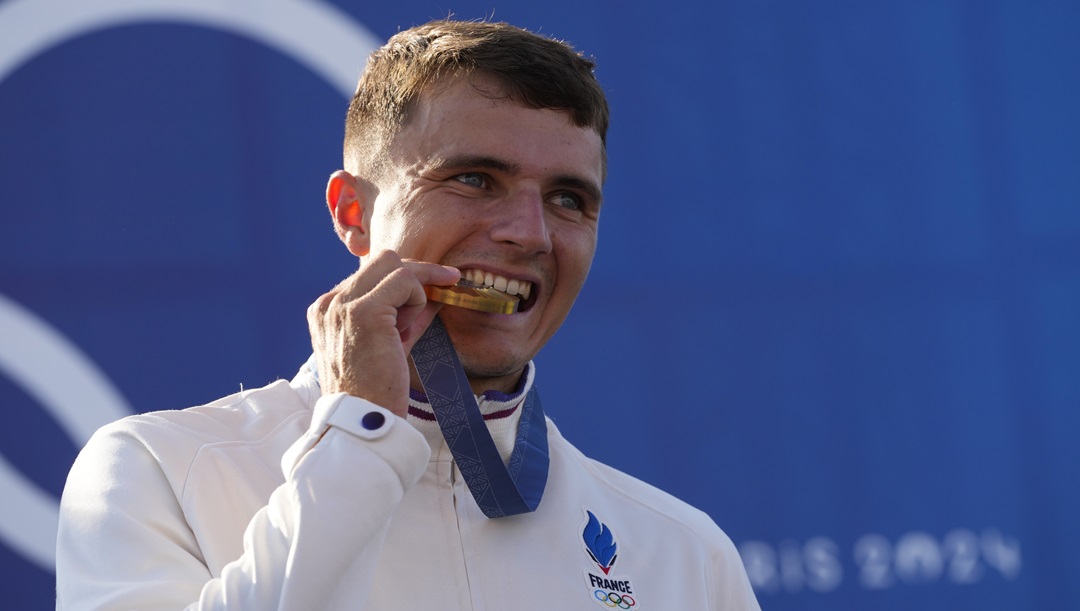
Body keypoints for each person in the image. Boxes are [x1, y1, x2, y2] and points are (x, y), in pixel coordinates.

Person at [55, 19, 760, 610]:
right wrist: (358, 436)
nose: (531, 233)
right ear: (353, 214)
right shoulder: (157, 471)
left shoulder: (684, 555)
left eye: (568, 199)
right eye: (475, 179)